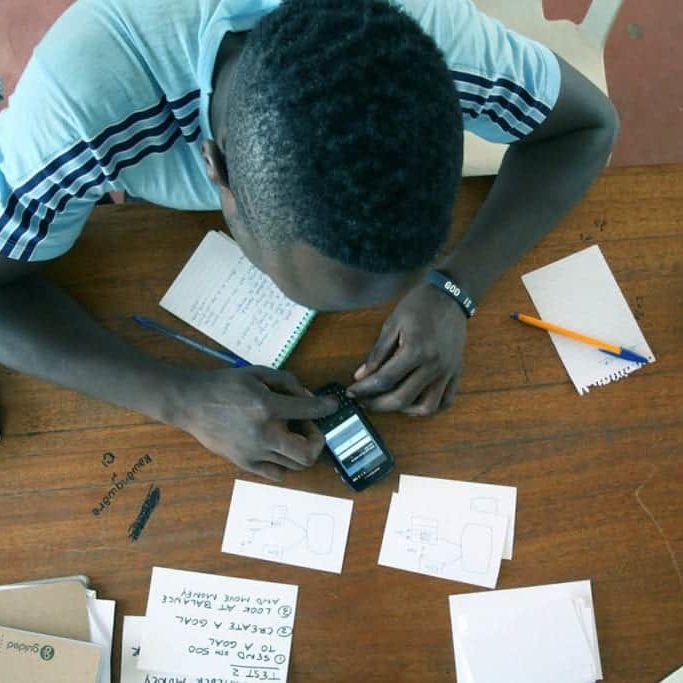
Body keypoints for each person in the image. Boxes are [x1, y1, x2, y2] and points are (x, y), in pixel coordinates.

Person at [0, 0, 618, 480]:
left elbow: (588, 127)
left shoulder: (435, 46)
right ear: (216, 171)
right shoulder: (75, 115)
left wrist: (454, 287)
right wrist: (175, 398)